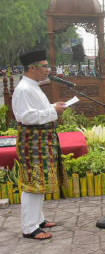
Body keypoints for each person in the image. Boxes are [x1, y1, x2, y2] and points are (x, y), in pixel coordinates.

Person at [12, 50, 69, 240]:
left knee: (40, 181)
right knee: (32, 183)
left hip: (41, 140)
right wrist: (53, 111)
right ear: (32, 67)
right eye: (44, 66)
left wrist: (53, 107)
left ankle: (38, 220)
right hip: (33, 142)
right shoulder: (24, 89)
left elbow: (38, 111)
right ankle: (29, 228)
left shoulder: (33, 86)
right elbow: (25, 116)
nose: (48, 70)